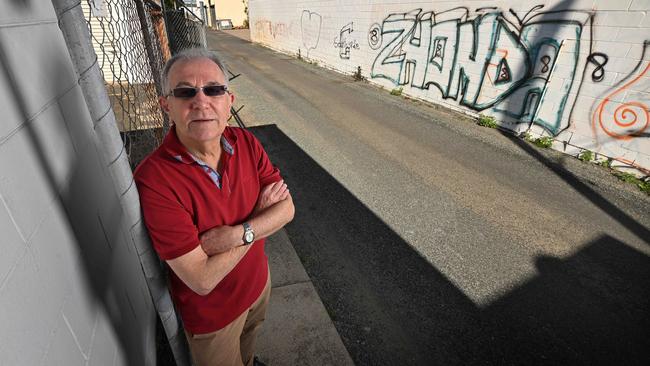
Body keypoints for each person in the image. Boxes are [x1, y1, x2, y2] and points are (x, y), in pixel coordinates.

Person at [134, 48, 294, 366]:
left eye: (214, 89)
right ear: (167, 105)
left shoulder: (246, 143)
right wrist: (260, 220)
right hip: (214, 319)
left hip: (258, 286)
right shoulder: (155, 179)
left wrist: (236, 234)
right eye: (185, 92)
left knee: (249, 349)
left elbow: (287, 209)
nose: (201, 101)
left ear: (228, 100)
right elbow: (202, 280)